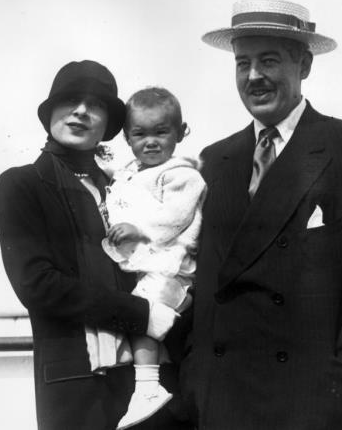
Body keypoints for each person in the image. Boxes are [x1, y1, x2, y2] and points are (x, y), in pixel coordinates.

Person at [180, 0, 342, 430]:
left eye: (269, 60)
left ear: (305, 65)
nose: (254, 76)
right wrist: (195, 381)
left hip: (318, 407)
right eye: (243, 63)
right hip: (224, 405)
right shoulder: (214, 161)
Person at [0, 60, 191, 430]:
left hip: (157, 378)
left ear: (110, 124)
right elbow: (37, 284)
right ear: (50, 111)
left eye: (96, 104)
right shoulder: (22, 185)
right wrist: (141, 315)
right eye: (70, 100)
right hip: (78, 389)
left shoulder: (133, 185)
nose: (82, 111)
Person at [101, 87, 206, 429]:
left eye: (161, 132)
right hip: (150, 263)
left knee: (142, 311)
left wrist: (136, 228)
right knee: (141, 314)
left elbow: (174, 217)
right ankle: (152, 375)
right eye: (140, 134)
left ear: (180, 132)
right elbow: (120, 194)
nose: (150, 142)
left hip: (171, 263)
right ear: (127, 138)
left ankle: (147, 387)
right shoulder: (132, 172)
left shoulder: (182, 175)